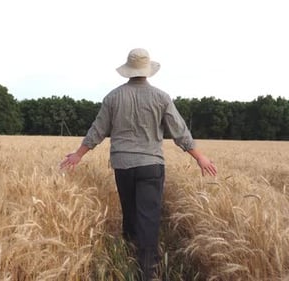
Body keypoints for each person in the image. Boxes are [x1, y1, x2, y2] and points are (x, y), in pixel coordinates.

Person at [60, 48, 217, 280]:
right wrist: (199, 157)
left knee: (130, 212)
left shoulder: (113, 97)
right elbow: (180, 132)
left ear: (128, 71)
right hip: (151, 165)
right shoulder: (162, 98)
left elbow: (98, 130)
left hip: (123, 165)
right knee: (149, 216)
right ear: (147, 71)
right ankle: (147, 270)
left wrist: (79, 154)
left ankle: (129, 256)